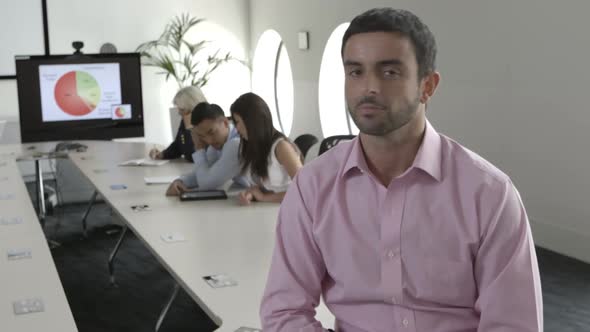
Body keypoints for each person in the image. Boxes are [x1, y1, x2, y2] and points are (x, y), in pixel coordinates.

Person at [260, 8, 542, 332]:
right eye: (356, 72)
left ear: (428, 86)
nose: (369, 87)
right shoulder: (313, 187)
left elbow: (514, 325)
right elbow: (284, 312)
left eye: (390, 72)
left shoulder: (489, 194)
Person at [229, 92, 303, 204]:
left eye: (238, 122)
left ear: (252, 120)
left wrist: (264, 198)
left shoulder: (281, 147)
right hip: (266, 211)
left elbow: (304, 189)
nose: (236, 129)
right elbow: (264, 187)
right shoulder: (252, 146)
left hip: (288, 211)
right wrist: (251, 193)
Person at [166, 102, 245, 196]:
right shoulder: (216, 146)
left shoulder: (236, 144)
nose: (209, 141)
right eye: (201, 136)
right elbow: (203, 174)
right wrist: (180, 181)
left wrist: (199, 148)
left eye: (211, 132)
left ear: (225, 122)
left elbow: (206, 184)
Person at [149, 86, 206, 162]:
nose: (179, 113)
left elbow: (192, 155)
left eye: (182, 109)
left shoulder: (207, 123)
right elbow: (178, 145)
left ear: (192, 107)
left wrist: (190, 129)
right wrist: (163, 154)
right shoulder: (185, 120)